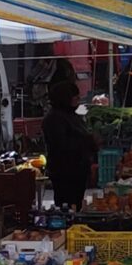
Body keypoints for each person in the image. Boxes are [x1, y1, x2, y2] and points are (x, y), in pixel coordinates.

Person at [43, 84, 96, 214]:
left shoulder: (72, 115)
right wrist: (88, 142)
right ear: (65, 98)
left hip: (78, 169)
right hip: (65, 171)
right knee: (66, 206)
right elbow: (62, 145)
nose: (78, 99)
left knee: (76, 203)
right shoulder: (54, 119)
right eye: (75, 97)